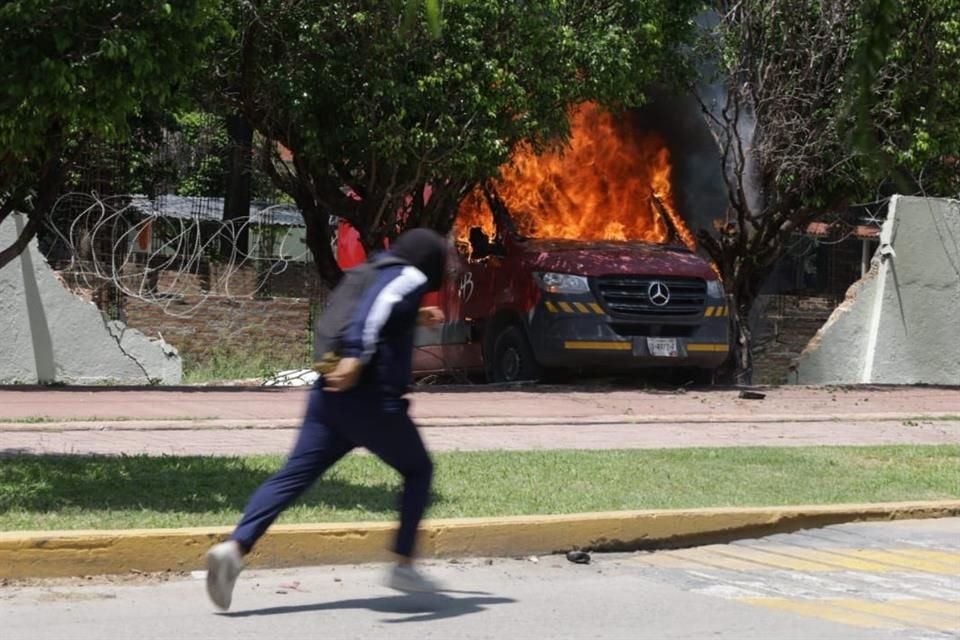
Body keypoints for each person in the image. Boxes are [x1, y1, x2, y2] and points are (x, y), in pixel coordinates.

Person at [205, 228, 449, 611]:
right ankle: (403, 564)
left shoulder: (378, 269)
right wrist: (354, 355)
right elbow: (374, 312)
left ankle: (234, 549)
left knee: (293, 475)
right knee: (419, 470)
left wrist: (417, 315)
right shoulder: (410, 275)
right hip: (372, 402)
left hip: (329, 398)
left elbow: (379, 310)